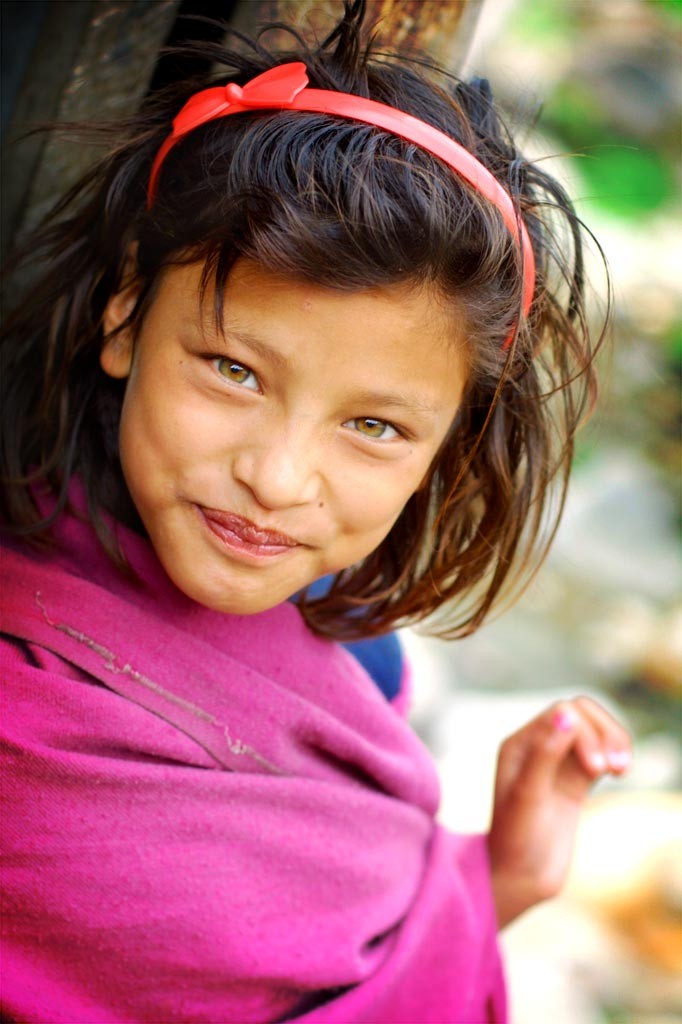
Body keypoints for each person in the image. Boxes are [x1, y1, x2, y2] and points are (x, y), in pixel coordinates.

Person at [0, 2, 632, 1021]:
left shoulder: (347, 624)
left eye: (374, 426)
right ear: (126, 314)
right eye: (233, 369)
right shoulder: (29, 735)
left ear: (446, 446)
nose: (280, 478)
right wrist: (485, 896)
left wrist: (494, 878)